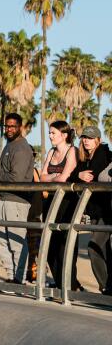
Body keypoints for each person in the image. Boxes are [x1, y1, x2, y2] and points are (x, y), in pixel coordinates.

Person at [0, 113, 36, 284]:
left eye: (13, 126)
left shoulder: (21, 148)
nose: (9, 129)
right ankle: (11, 274)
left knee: (16, 241)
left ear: (20, 127)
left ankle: (19, 278)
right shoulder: (9, 145)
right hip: (5, 198)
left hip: (17, 200)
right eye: (7, 126)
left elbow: (18, 178)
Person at [73, 124, 112, 293]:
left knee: (93, 247)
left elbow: (91, 175)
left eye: (90, 138)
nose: (86, 141)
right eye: (84, 138)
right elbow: (74, 175)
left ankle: (105, 287)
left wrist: (81, 175)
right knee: (105, 250)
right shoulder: (84, 158)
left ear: (98, 140)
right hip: (94, 210)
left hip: (106, 210)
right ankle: (109, 286)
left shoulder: (102, 153)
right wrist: (78, 175)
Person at [39, 120, 78, 288]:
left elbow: (64, 178)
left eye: (53, 133)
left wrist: (53, 178)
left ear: (64, 135)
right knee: (48, 242)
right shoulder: (51, 152)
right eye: (49, 132)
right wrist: (55, 177)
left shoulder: (72, 151)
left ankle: (70, 283)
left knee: (65, 243)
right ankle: (60, 281)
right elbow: (42, 177)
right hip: (51, 201)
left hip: (67, 202)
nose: (50, 136)